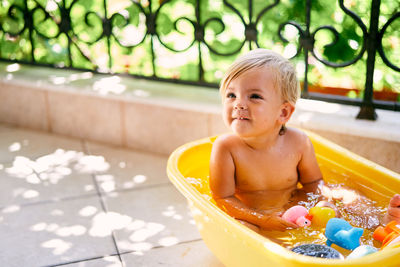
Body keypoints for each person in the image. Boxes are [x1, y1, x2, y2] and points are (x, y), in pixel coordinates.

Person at [209, 48, 400, 233]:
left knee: (348, 194)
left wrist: (321, 204)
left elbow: (314, 183)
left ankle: (380, 227)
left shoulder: (298, 142)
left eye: (254, 96)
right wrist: (262, 220)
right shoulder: (226, 148)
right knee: (242, 229)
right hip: (253, 215)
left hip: (294, 206)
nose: (238, 104)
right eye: (231, 95)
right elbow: (223, 199)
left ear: (283, 112)